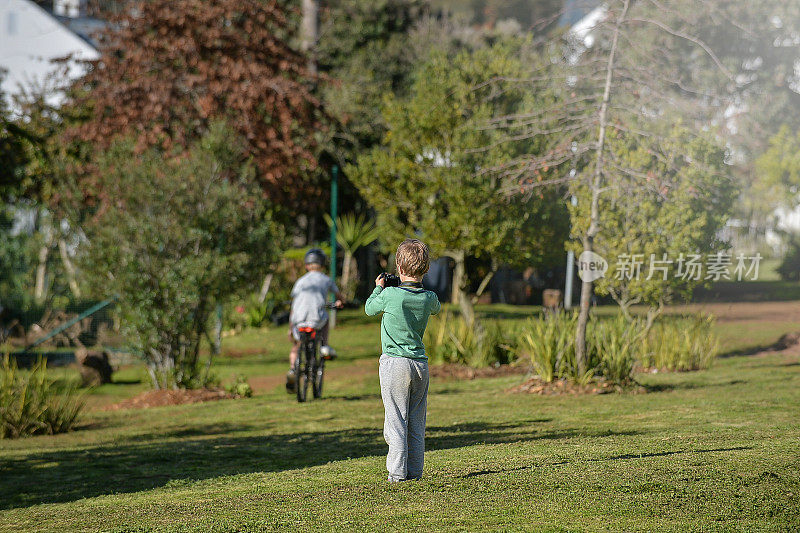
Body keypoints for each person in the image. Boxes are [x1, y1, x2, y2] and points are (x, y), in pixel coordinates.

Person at [365, 238, 441, 482]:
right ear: (426, 268)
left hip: (395, 363)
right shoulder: (429, 297)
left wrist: (379, 287)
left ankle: (397, 474)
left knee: (396, 420)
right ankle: (414, 472)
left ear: (398, 266)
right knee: (416, 422)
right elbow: (436, 306)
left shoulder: (390, 295)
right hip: (420, 364)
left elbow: (369, 308)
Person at [286, 248, 343, 391]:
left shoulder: (300, 281)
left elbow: (294, 303)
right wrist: (340, 302)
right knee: (325, 318)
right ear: (323, 264)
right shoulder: (326, 279)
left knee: (296, 345)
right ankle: (324, 346)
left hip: (298, 320)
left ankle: (293, 369)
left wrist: (290, 327)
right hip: (316, 319)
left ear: (306, 265)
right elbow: (338, 296)